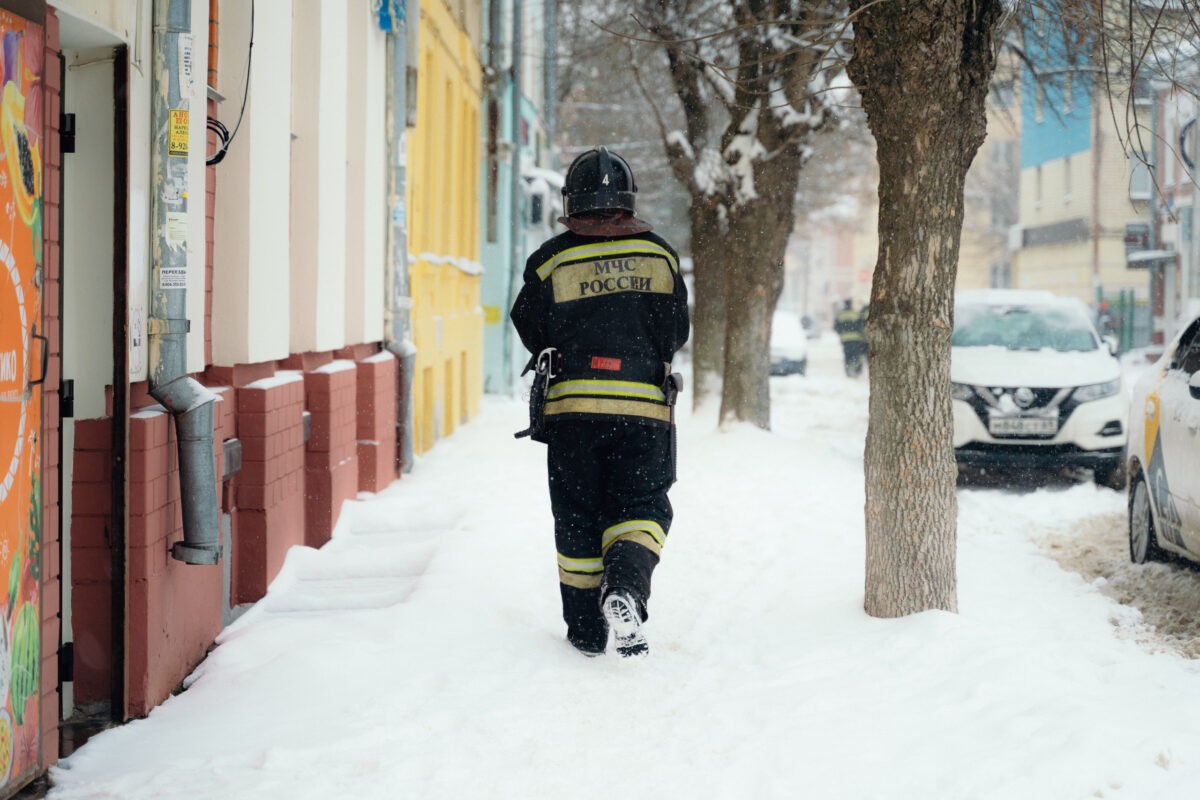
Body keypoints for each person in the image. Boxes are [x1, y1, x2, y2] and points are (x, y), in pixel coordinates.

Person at [510, 147, 690, 658]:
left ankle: (587, 631)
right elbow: (676, 330)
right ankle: (627, 589)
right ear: (627, 201)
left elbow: (529, 326)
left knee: (577, 515)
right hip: (643, 412)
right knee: (641, 506)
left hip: (572, 412)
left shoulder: (549, 259)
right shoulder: (660, 254)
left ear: (573, 201)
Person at [834, 299, 868, 377]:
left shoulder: (840, 315)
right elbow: (861, 326)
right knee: (855, 355)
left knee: (847, 355)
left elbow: (836, 327)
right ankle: (856, 370)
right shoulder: (855, 314)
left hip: (845, 340)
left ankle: (848, 370)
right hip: (855, 339)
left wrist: (842, 333)